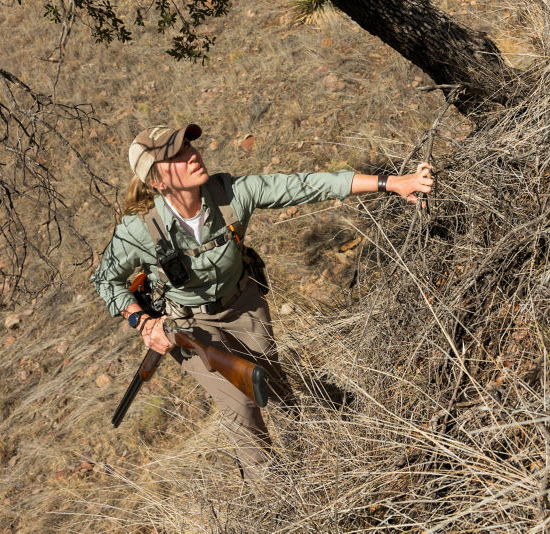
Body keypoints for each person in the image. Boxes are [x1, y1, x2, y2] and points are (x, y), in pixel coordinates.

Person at [91, 124, 433, 479]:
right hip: (188, 327)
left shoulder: (231, 193)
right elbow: (105, 279)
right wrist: (143, 322)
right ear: (158, 181)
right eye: (176, 155)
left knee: (270, 383)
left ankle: (306, 454)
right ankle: (272, 498)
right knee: (240, 405)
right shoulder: (137, 230)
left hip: (244, 304)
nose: (192, 153)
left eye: (189, 145)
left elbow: (306, 186)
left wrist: (392, 183)